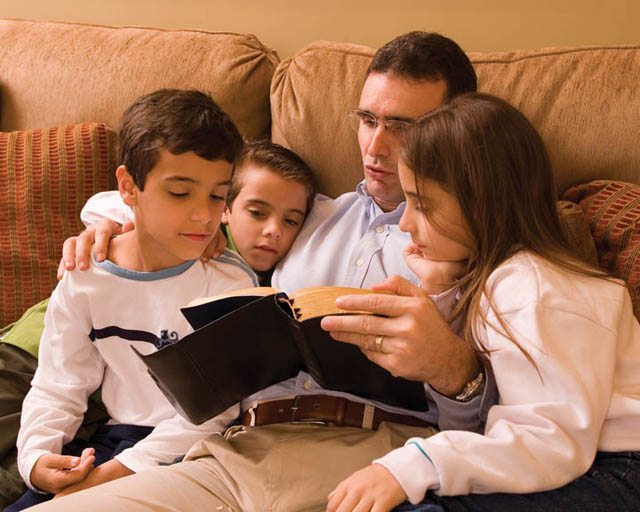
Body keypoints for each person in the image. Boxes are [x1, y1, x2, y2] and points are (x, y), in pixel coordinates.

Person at [25, 33, 498, 511]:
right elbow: (178, 196)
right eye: (368, 120)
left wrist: (454, 369)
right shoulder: (310, 214)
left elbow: (503, 427)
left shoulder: (476, 246)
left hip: (376, 455)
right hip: (234, 448)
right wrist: (108, 223)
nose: (376, 146)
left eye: (403, 126)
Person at [322, 93, 640, 511]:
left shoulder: (536, 288)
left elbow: (551, 443)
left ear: (482, 202)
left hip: (616, 472)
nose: (404, 222)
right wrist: (440, 290)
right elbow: (483, 412)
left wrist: (413, 464)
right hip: (576, 465)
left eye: (421, 203)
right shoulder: (497, 281)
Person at [6, 89, 257, 511]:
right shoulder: (85, 277)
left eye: (218, 195)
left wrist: (111, 476)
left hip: (197, 453)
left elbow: (214, 414)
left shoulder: (229, 283)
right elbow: (58, 384)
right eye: (180, 193)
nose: (203, 215)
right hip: (112, 442)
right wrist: (35, 459)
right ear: (128, 186)